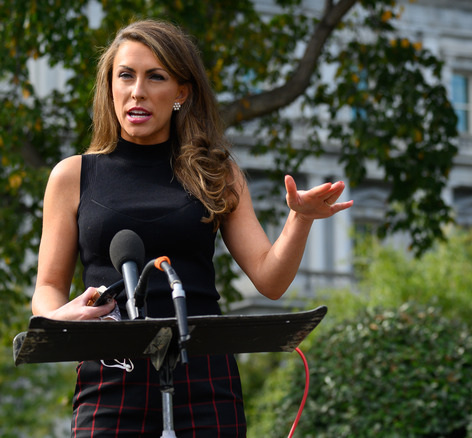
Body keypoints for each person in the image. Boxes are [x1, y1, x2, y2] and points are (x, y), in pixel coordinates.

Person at [31, 19, 353, 437]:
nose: (137, 91)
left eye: (156, 77)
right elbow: (47, 287)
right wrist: (61, 319)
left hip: (204, 381)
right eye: (125, 76)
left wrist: (301, 218)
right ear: (109, 87)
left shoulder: (218, 174)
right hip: (111, 381)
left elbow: (271, 280)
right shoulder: (71, 176)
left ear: (181, 93)